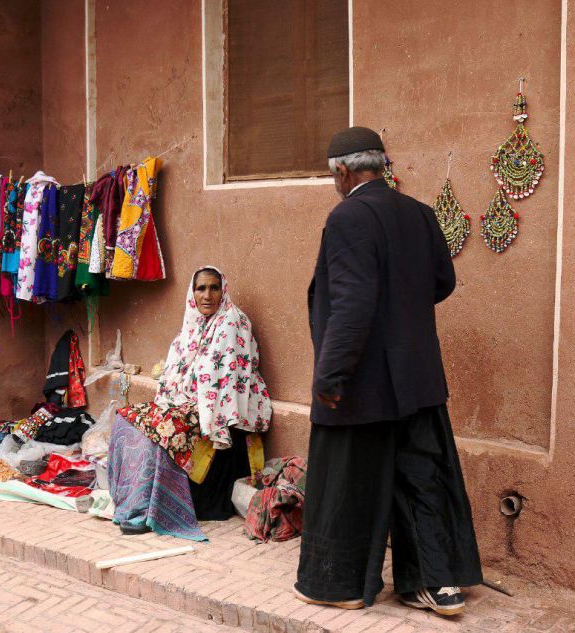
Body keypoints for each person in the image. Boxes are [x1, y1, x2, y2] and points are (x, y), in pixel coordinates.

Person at [294, 127, 483, 617]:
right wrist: (402, 316)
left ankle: (344, 586)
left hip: (364, 385)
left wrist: (330, 376)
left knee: (350, 483)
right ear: (381, 164)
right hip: (418, 379)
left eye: (331, 172)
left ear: (341, 170)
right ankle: (437, 586)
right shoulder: (420, 214)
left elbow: (352, 305)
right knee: (419, 477)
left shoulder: (348, 217)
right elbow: (443, 281)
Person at [107, 266, 272, 540]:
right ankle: (131, 503)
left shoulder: (232, 321)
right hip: (189, 403)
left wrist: (181, 410)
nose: (207, 295)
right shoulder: (193, 324)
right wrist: (169, 403)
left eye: (213, 288)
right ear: (192, 293)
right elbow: (175, 370)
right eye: (200, 288)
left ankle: (154, 510)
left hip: (220, 410)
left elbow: (221, 382)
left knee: (162, 429)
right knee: (128, 419)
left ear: (223, 291)